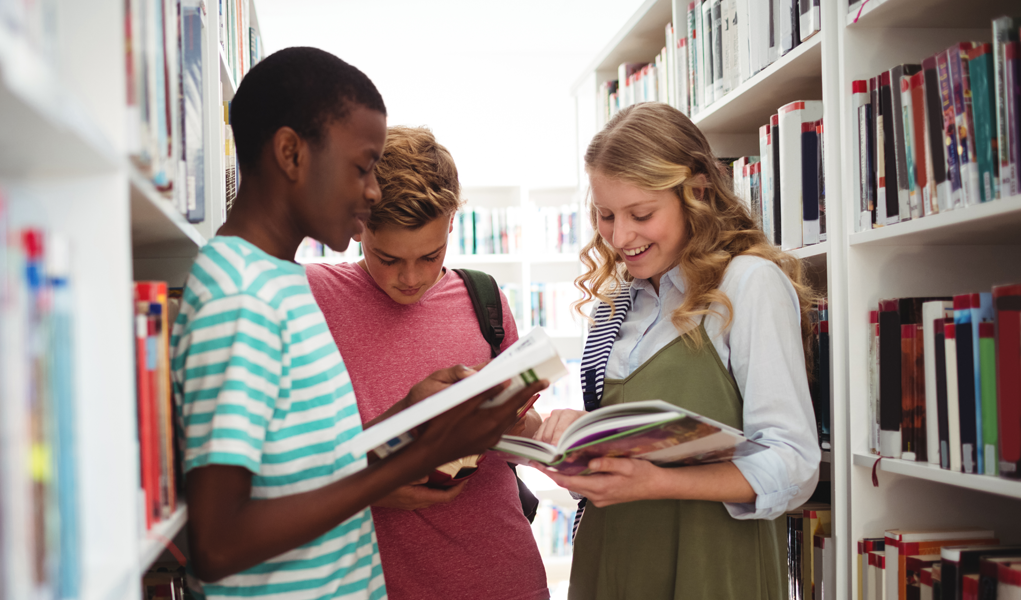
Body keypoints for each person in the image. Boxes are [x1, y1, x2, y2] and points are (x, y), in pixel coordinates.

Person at [170, 47, 545, 600]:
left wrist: (413, 418)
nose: (369, 192)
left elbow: (311, 459)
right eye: (360, 168)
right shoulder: (254, 293)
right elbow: (219, 538)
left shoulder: (276, 285)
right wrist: (408, 460)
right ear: (292, 154)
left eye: (431, 255)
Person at [534, 102, 821, 600]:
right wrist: (561, 441)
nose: (620, 237)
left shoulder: (748, 285)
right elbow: (628, 444)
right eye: (605, 215)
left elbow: (794, 467)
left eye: (640, 214)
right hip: (612, 564)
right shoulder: (617, 305)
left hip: (712, 572)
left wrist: (653, 483)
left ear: (697, 193)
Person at [306, 126, 549, 600]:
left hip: (504, 578)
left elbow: (520, 442)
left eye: (431, 255)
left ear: (453, 221)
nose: (411, 278)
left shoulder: (485, 299)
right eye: (388, 257)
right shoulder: (309, 299)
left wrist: (515, 420)